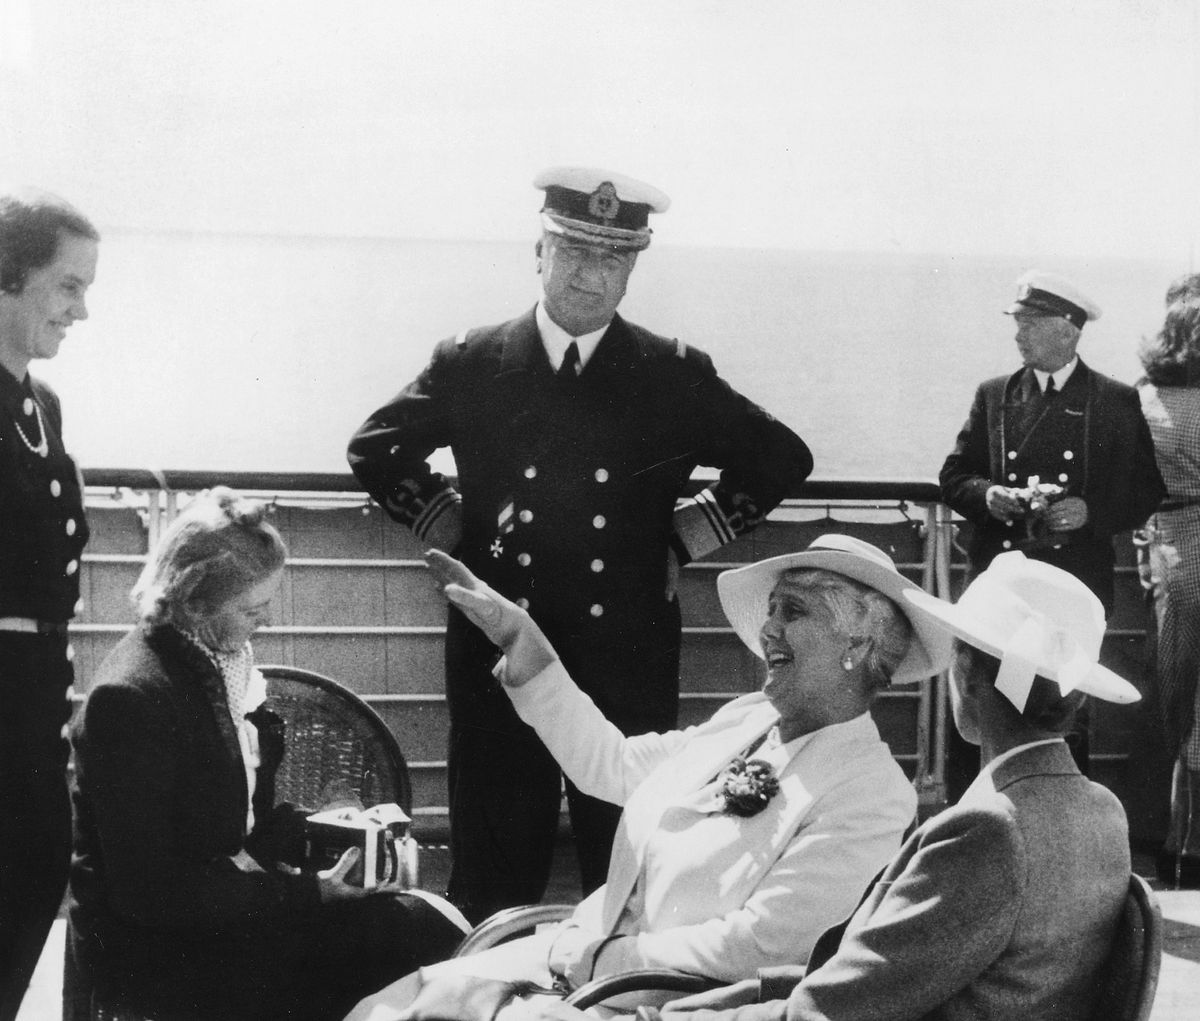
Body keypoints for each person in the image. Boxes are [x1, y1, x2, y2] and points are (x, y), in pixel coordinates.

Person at [347, 166, 814, 921]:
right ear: (539, 251)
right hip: (498, 659)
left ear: (632, 269)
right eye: (571, 252)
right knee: (493, 877)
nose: (587, 275)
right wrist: (444, 521)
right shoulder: (473, 361)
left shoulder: (671, 373)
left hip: (620, 659)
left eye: (610, 259)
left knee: (624, 867)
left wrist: (694, 529)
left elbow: (782, 457)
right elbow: (375, 448)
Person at [343, 534, 953, 1020]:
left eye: (792, 612)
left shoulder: (869, 793)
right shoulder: (747, 721)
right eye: (770, 609)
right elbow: (609, 765)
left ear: (857, 644)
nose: (767, 629)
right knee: (387, 1009)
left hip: (660, 1001)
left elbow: (764, 949)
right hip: (578, 963)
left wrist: (597, 961)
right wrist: (518, 637)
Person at [549, 552, 1139, 1021]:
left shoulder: (987, 825)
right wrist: (745, 994)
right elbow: (878, 968)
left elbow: (848, 1005)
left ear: (963, 676)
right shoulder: (1101, 810)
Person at [65, 489, 469, 1021]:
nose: (267, 622)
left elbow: (230, 825)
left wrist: (317, 828)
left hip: (211, 919)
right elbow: (150, 894)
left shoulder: (211, 663)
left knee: (422, 927)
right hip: (156, 960)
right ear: (194, 603)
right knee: (411, 942)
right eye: (253, 609)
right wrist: (309, 895)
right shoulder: (130, 697)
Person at [940, 269, 1163, 788]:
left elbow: (1145, 490)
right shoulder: (994, 395)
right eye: (1017, 323)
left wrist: (1091, 513)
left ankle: (1062, 818)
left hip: (1072, 587)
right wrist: (987, 495)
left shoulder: (1112, 400)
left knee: (1062, 709)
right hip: (1000, 586)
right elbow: (953, 476)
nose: (1017, 335)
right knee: (984, 697)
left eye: (1028, 324)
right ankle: (971, 813)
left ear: (1067, 330)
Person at [0, 186, 99, 1021]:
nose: (82, 310)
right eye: (68, 287)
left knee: (36, 873)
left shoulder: (42, 406)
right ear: (8, 277)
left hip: (31, 691)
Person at [1136, 296, 1200, 887]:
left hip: (1173, 547)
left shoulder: (1147, 397)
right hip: (1182, 547)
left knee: (1177, 703)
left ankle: (1176, 844)